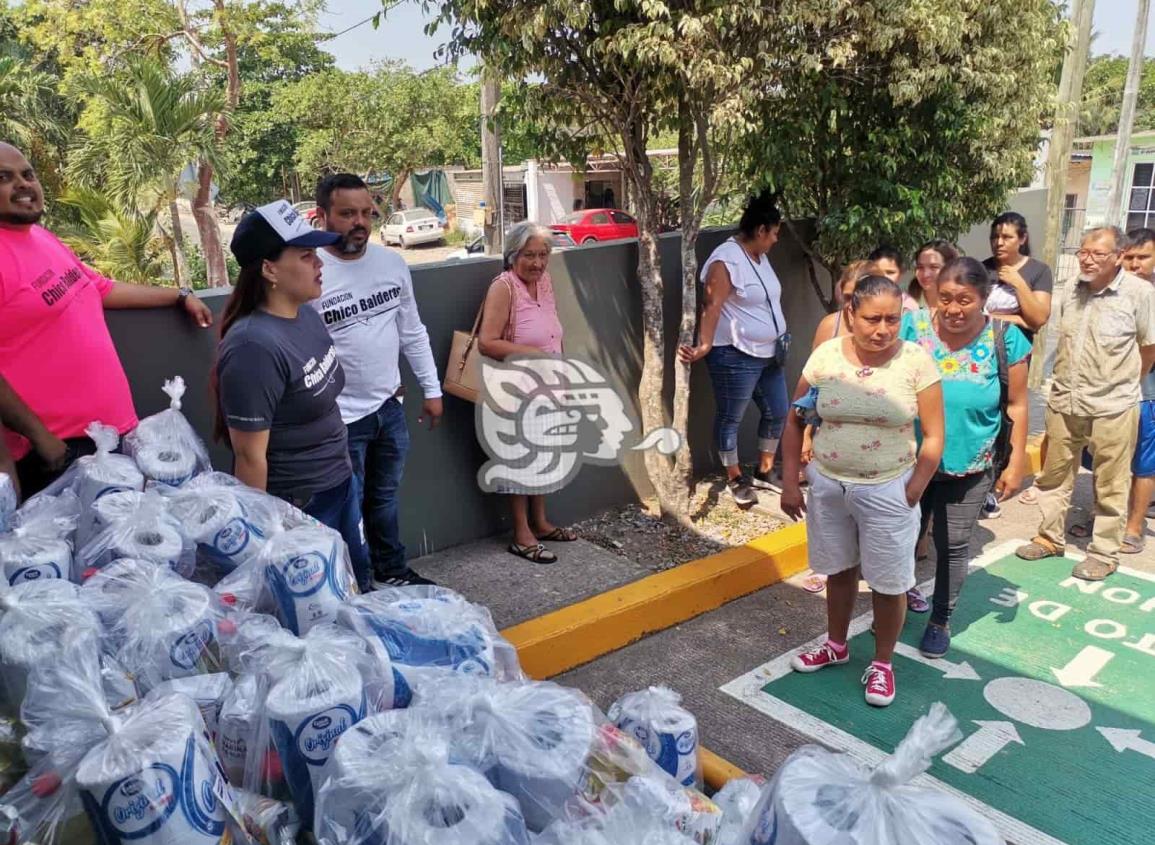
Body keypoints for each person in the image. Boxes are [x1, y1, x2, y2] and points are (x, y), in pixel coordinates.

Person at [0, 141, 214, 497]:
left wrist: (179, 295)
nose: (23, 184)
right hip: (58, 451)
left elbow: (98, 287)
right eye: (4, 178)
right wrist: (43, 439)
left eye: (28, 174)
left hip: (109, 435)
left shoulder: (40, 237)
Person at [780, 275, 944, 707]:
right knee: (838, 570)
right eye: (873, 318)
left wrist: (913, 488)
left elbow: (934, 434)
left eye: (893, 319)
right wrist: (790, 480)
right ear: (851, 314)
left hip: (890, 487)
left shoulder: (916, 361)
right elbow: (796, 417)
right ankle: (837, 644)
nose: (883, 329)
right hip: (829, 484)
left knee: (890, 583)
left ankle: (883, 663)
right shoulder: (826, 356)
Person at [214, 200, 372, 591]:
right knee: (326, 612)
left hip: (339, 480)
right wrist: (264, 546)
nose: (319, 263)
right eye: (305, 255)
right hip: (300, 505)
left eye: (316, 253)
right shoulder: (254, 347)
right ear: (269, 269)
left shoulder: (305, 314)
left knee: (358, 585)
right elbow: (250, 458)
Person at [312, 174, 442, 588]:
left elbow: (412, 331)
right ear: (322, 216)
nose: (360, 223)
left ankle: (392, 571)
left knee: (384, 499)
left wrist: (432, 389)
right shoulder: (311, 273)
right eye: (347, 213)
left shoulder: (391, 264)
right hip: (338, 419)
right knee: (345, 510)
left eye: (367, 213)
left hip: (389, 407)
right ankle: (356, 584)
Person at [901, 258, 1030, 657]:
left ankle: (940, 618)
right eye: (945, 299)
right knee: (901, 537)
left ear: (983, 299)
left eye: (965, 300)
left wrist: (1016, 462)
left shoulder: (1005, 338)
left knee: (953, 543)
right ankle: (893, 605)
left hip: (971, 463)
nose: (953, 309)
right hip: (908, 459)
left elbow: (1019, 404)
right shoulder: (913, 326)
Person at [1016, 227, 1155, 580]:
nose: (1087, 259)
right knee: (1055, 475)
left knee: (1111, 482)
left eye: (1098, 253)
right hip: (1065, 399)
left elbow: (1149, 347)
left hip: (1114, 405)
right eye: (1083, 251)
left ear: (1118, 257)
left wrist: (1125, 384)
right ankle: (1049, 538)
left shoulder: (1140, 293)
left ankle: (1104, 553)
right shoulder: (1070, 289)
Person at [678, 191, 789, 506]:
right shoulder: (726, 259)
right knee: (731, 416)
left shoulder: (760, 257)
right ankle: (735, 477)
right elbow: (711, 304)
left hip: (770, 352)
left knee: (777, 410)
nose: (776, 240)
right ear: (760, 231)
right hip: (736, 355)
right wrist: (705, 345)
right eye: (775, 233)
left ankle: (765, 469)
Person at [477, 221, 576, 564]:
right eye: (529, 255)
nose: (537, 262)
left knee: (543, 455)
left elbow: (552, 331)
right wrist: (532, 355)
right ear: (512, 255)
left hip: (548, 387)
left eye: (543, 255)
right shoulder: (503, 287)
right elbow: (487, 342)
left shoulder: (545, 282)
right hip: (516, 390)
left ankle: (541, 522)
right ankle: (522, 534)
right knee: (520, 462)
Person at [1121, 228, 1155, 552]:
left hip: (1147, 394)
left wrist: (1135, 378)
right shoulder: (1114, 292)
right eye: (1129, 257)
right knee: (1112, 461)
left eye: (1142, 257)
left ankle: (1134, 525)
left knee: (1144, 464)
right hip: (1113, 395)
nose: (1134, 264)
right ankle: (1108, 518)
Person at [983, 212, 1053, 338]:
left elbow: (1038, 319)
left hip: (1016, 350)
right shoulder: (981, 269)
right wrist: (1018, 319)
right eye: (994, 237)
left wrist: (1018, 283)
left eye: (1007, 237)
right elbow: (971, 314)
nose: (999, 243)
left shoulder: (1040, 271)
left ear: (1022, 239)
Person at [908, 240, 960, 309]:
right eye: (920, 267)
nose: (925, 274)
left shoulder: (963, 305)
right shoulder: (906, 304)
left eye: (934, 267)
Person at [867, 246, 918, 312]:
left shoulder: (908, 305)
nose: (884, 277)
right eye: (878, 272)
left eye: (890, 272)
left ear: (901, 273)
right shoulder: (861, 300)